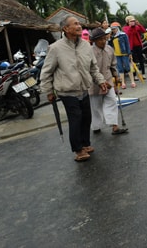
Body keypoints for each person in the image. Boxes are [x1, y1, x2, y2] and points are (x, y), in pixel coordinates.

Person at [40, 16, 109, 162]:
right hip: (67, 91)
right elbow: (46, 72)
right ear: (65, 29)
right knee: (75, 118)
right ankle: (78, 150)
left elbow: (93, 68)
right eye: (75, 24)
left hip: (84, 89)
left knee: (86, 117)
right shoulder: (55, 48)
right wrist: (48, 91)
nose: (79, 26)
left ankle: (85, 144)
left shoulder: (86, 46)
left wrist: (101, 80)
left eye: (79, 23)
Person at [89, 28, 128, 136]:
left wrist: (116, 76)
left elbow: (113, 65)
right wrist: (98, 81)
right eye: (100, 39)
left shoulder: (109, 49)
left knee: (112, 102)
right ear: (94, 41)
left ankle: (114, 126)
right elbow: (88, 69)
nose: (103, 41)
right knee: (95, 107)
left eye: (104, 38)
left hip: (108, 80)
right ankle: (96, 126)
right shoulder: (89, 52)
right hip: (94, 83)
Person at [109, 22, 135, 89]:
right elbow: (110, 46)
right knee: (120, 69)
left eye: (114, 29)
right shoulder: (112, 37)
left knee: (128, 67)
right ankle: (123, 83)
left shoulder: (123, 35)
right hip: (116, 55)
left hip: (124, 53)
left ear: (118, 28)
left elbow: (127, 44)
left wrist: (129, 53)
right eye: (112, 29)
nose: (113, 30)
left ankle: (132, 81)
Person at [123, 15, 147, 80]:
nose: (133, 22)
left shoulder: (136, 27)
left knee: (141, 59)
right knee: (133, 61)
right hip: (131, 47)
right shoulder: (125, 28)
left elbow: (144, 30)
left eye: (133, 21)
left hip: (138, 45)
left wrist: (139, 24)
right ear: (128, 22)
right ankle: (134, 75)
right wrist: (130, 27)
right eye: (131, 21)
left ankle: (143, 73)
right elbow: (127, 34)